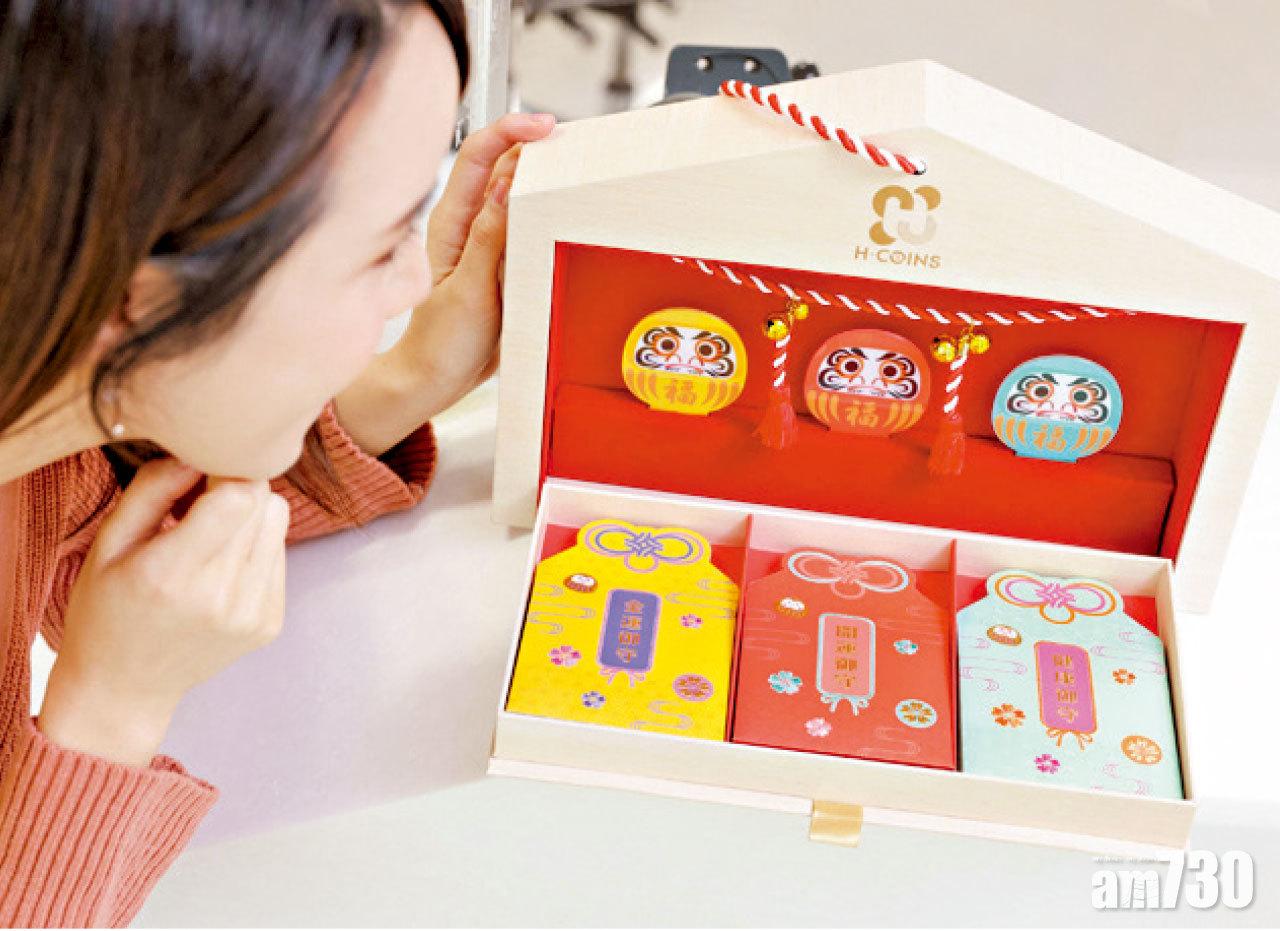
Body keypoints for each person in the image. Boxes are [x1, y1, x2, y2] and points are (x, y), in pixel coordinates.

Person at [0, 1, 554, 925]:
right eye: (380, 247)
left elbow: (128, 527)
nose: (414, 280)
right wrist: (110, 706)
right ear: (131, 292)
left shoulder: (45, 434)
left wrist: (414, 372)